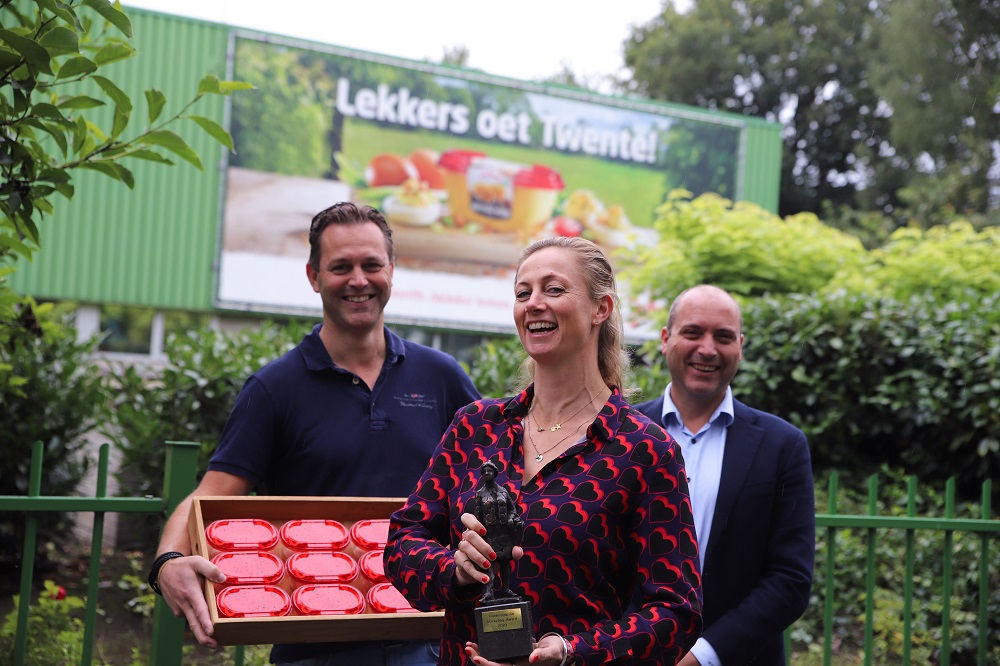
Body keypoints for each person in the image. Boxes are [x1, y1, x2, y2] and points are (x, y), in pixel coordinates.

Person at [147, 202, 480, 665]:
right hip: (317, 648)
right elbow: (211, 493)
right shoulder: (274, 389)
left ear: (391, 269)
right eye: (341, 267)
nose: (359, 280)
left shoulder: (441, 376)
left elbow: (497, 479)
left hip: (433, 642)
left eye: (371, 265)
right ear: (314, 276)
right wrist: (167, 562)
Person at [385, 236, 703, 666]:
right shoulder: (475, 427)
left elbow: (676, 612)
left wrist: (574, 651)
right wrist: (454, 570)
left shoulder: (645, 449)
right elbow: (403, 541)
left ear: (601, 308)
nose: (534, 303)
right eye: (523, 293)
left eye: (553, 289)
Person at [633, 284, 815, 666]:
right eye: (693, 332)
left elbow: (790, 579)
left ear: (740, 347)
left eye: (724, 336)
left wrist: (703, 656)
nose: (708, 349)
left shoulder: (782, 446)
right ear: (665, 339)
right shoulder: (620, 432)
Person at [472, 460, 523, 602]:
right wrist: (477, 532)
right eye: (484, 471)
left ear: (494, 473)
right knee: (488, 562)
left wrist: (511, 518)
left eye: (489, 471)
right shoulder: (480, 494)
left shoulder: (503, 491)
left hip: (504, 531)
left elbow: (512, 509)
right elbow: (477, 515)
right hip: (488, 532)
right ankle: (489, 591)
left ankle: (506, 588)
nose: (487, 473)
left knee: (505, 561)